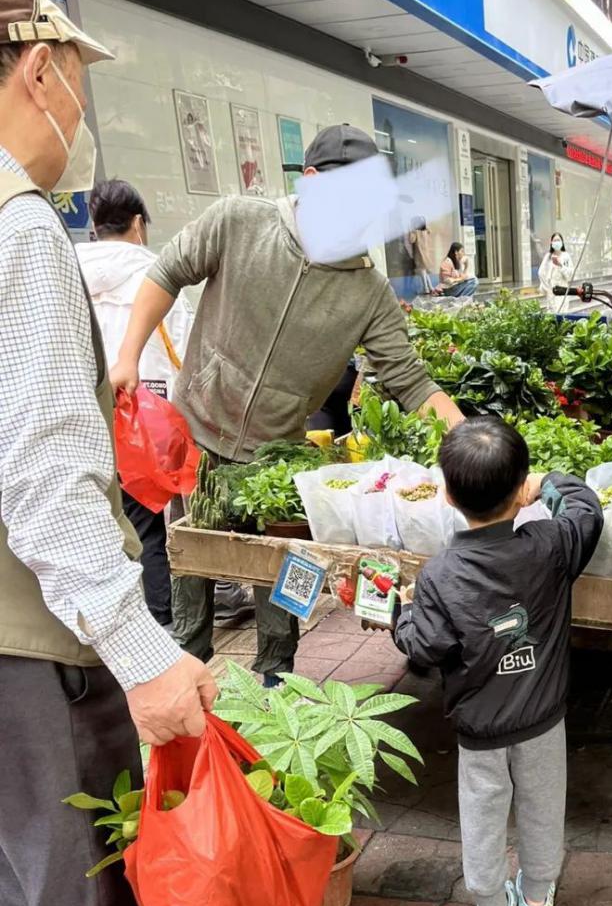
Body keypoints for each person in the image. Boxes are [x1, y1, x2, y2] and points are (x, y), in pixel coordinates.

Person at [0, 0, 235, 906]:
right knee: (80, 893)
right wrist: (142, 651)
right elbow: (46, 476)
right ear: (38, 71)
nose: (77, 108)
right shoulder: (18, 227)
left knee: (26, 881)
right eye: (76, 81)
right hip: (26, 640)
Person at [111, 123, 464, 686]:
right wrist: (128, 356)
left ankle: (278, 686)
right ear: (312, 181)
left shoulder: (366, 290)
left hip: (280, 462)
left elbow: (411, 382)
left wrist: (472, 445)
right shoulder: (238, 221)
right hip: (198, 440)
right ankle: (192, 704)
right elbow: (167, 271)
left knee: (284, 595)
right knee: (191, 585)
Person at [392, 417, 603, 906]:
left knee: (482, 812)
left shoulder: (440, 574)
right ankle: (536, 893)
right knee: (543, 805)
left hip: (479, 726)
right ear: (519, 489)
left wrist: (401, 614)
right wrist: (548, 484)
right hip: (542, 719)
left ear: (445, 494)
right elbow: (587, 510)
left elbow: (426, 647)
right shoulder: (550, 545)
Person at [76, 179, 194, 628]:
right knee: (152, 525)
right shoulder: (157, 275)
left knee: (109, 522)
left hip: (91, 414)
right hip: (148, 420)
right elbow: (183, 352)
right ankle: (163, 623)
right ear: (138, 224)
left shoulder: (70, 273)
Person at [538, 231, 575, 313]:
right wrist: (547, 288)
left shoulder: (566, 256)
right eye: (555, 240)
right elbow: (541, 272)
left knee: (561, 313)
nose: (556, 242)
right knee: (552, 314)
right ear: (551, 243)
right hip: (551, 292)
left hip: (562, 290)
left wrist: (560, 265)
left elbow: (570, 275)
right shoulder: (548, 256)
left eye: (558, 240)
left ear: (562, 242)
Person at [408, 216, 440, 295]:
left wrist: (410, 231)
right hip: (426, 253)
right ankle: (430, 287)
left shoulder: (416, 232)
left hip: (419, 254)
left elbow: (411, 240)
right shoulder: (426, 231)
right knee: (424, 271)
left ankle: (426, 288)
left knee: (422, 271)